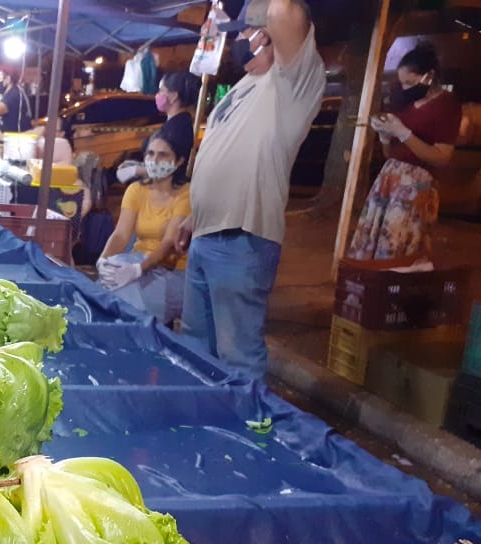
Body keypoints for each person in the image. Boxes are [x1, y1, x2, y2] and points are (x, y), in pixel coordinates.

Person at [175, 0, 324, 379]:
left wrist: (271, 20)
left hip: (242, 240)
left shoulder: (291, 85)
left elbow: (284, 11)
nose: (238, 40)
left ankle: (242, 429)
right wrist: (195, 217)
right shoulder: (243, 86)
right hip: (207, 236)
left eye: (245, 32)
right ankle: (202, 429)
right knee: (196, 349)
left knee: (236, 354)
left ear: (267, 35)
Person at [347, 43, 461, 264]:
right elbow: (392, 153)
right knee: (375, 240)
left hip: (416, 185)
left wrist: (404, 133)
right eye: (403, 83)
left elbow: (442, 157)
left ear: (429, 76)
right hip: (389, 179)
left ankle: (393, 291)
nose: (406, 88)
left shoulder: (447, 104)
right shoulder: (404, 101)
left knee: (399, 244)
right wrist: (384, 135)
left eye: (410, 82)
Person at [97, 132, 191, 325]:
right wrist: (103, 260)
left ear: (179, 161)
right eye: (150, 154)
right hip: (137, 261)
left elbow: (169, 243)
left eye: (163, 155)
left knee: (125, 299)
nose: (154, 160)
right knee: (107, 283)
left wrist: (138, 269)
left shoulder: (186, 193)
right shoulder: (136, 190)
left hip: (173, 271)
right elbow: (121, 235)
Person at [117, 70, 200, 183]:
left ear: (174, 96)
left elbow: (166, 167)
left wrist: (136, 171)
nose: (157, 95)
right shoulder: (175, 122)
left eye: (161, 91)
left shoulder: (178, 129)